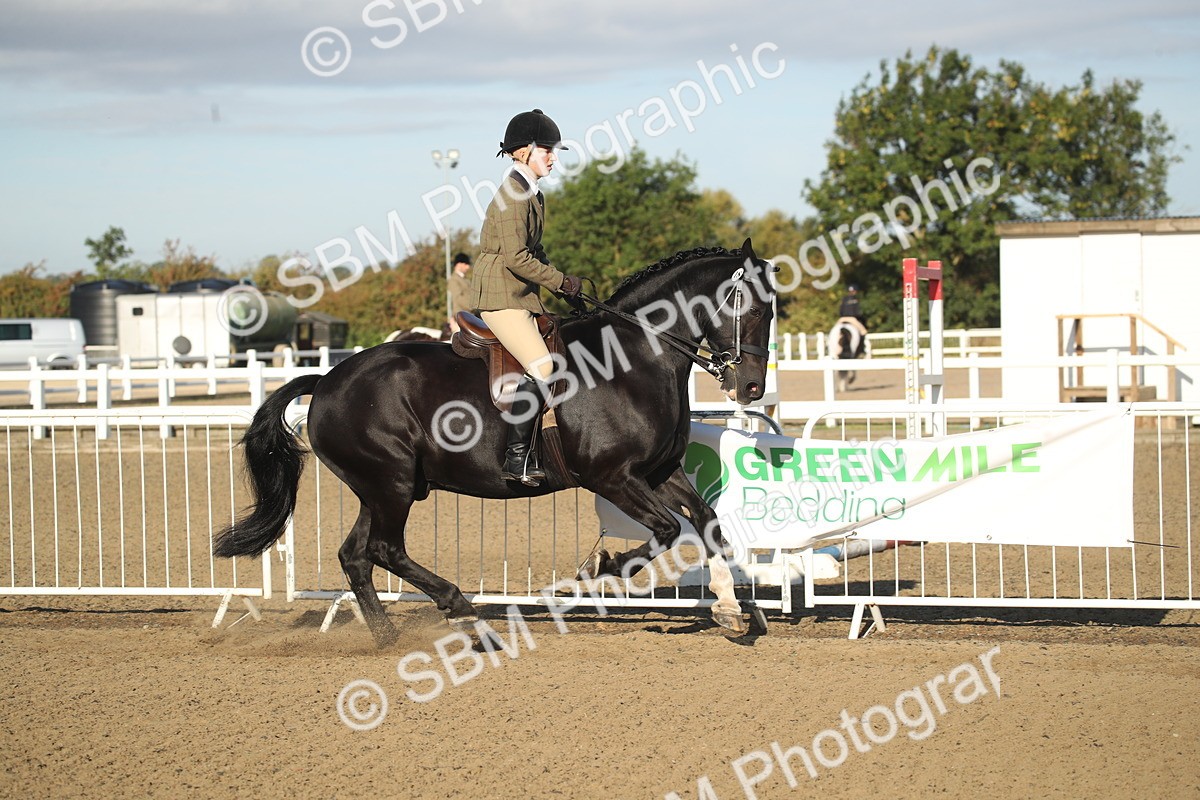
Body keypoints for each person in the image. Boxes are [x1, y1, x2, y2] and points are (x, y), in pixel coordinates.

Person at [469, 108, 582, 487]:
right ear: (523, 152)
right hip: (500, 294)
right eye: (547, 149)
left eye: (554, 150)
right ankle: (516, 458)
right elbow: (517, 257)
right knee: (545, 367)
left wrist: (563, 285)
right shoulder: (514, 196)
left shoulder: (531, 194)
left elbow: (537, 250)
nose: (553, 157)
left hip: (519, 292)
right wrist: (560, 282)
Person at [837, 284, 868, 356]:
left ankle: (827, 348)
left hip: (842, 319)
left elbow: (840, 311)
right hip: (852, 319)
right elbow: (858, 313)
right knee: (863, 331)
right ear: (855, 291)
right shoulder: (856, 300)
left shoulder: (844, 299)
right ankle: (862, 350)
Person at [447, 252, 472, 333]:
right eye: (466, 264)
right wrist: (474, 306)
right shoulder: (453, 280)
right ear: (459, 264)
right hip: (461, 316)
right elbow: (459, 298)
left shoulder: (466, 280)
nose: (468, 267)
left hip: (471, 315)